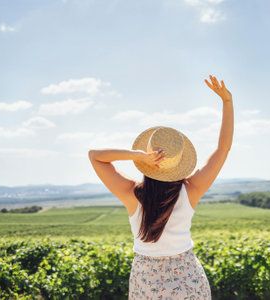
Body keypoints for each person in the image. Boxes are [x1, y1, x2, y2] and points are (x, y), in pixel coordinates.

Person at [89, 74, 234, 299]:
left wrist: (135, 156)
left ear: (146, 164)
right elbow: (222, 149)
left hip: (146, 283)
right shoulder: (191, 190)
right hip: (188, 280)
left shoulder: (131, 194)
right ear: (180, 163)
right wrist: (227, 102)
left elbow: (95, 156)